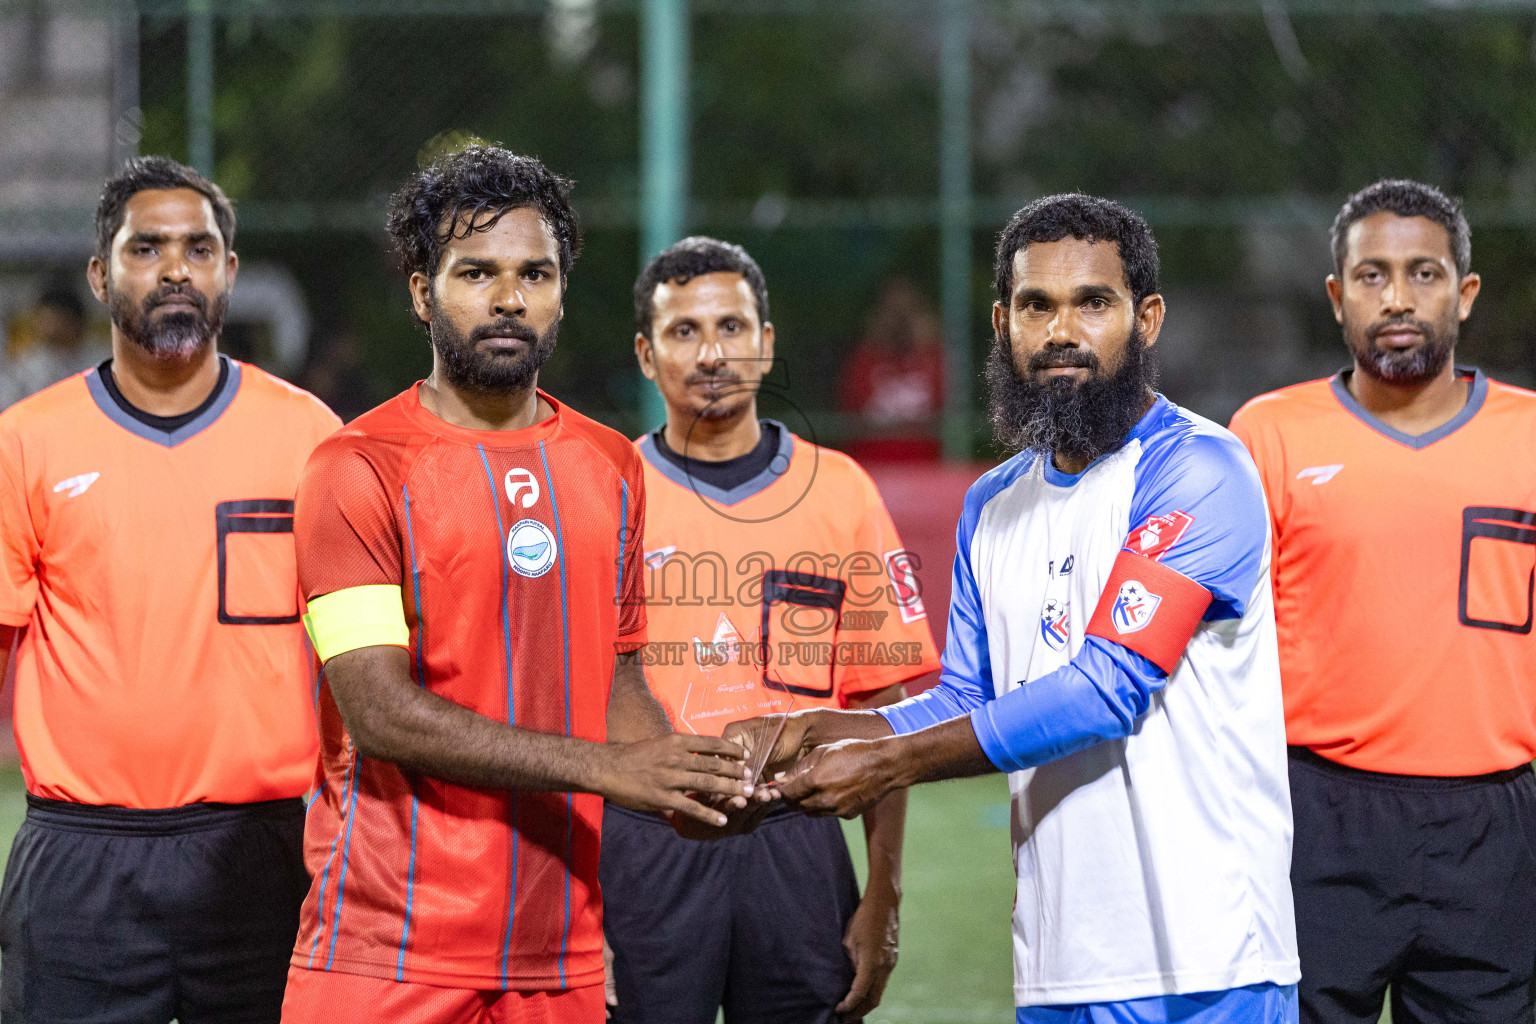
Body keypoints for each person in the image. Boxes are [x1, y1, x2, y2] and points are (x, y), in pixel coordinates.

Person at [728, 194, 1300, 1024]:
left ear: (1148, 319)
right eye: (1037, 305)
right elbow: (966, 697)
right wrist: (823, 728)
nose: (1061, 330)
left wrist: (893, 762)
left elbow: (1109, 687)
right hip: (1058, 965)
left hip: (1209, 965)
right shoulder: (992, 503)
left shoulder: (1201, 470)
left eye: (1092, 303)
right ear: (1003, 322)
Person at [279, 146, 755, 1024]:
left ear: (563, 291)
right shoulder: (354, 471)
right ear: (424, 293)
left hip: (559, 954)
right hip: (386, 952)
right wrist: (613, 770)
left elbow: (613, 680)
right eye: (477, 274)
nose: (509, 298)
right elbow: (377, 712)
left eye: (535, 272)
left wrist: (689, 782)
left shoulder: (613, 465)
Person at [0, 156, 341, 1022]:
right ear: (100, 275)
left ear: (230, 271)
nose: (175, 267)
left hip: (263, 848)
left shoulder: (310, 437)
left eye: (200, 247)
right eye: (146, 247)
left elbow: (359, 665)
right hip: (82, 854)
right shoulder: (25, 444)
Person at [604, 237, 942, 1024]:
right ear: (647, 356)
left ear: (767, 343)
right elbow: (568, 708)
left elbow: (882, 708)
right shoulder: (604, 493)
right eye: (683, 331)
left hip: (800, 836)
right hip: (647, 840)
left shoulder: (841, 490)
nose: (711, 350)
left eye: (731, 326)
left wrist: (882, 893)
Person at [1229, 179, 1536, 1024]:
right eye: (1371, 276)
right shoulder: (1268, 433)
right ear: (1337, 296)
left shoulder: (1529, 436)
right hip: (1318, 812)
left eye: (1424, 273)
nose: (1397, 297)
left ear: (1464, 294)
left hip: (1495, 822)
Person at [837, 278, 945, 463]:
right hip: (873, 466)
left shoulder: (932, 359)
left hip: (924, 469)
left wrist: (925, 347)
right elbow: (851, 409)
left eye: (907, 312)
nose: (900, 323)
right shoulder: (865, 361)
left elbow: (946, 408)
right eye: (893, 312)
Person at [0, 282, 108, 410]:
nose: (45, 326)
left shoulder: (100, 362)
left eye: (52, 320)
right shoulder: (29, 366)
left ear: (72, 321)